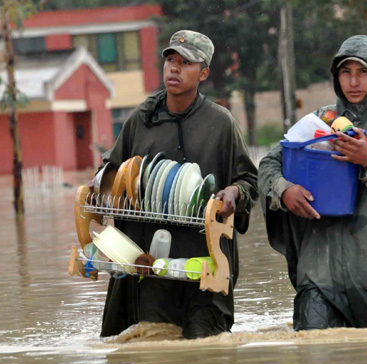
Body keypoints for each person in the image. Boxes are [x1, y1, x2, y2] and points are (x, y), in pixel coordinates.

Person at [258, 35, 367, 330]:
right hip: (320, 272)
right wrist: (284, 190)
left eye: (362, 72)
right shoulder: (320, 121)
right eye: (345, 72)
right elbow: (270, 163)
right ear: (336, 76)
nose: (353, 81)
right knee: (313, 348)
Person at [95, 30, 259, 339]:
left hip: (205, 262)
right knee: (153, 341)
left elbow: (249, 180)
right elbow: (110, 175)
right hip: (149, 267)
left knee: (205, 343)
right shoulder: (141, 119)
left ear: (204, 73)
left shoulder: (221, 123)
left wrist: (233, 193)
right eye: (171, 60)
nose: (174, 68)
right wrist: (101, 202)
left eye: (186, 63)